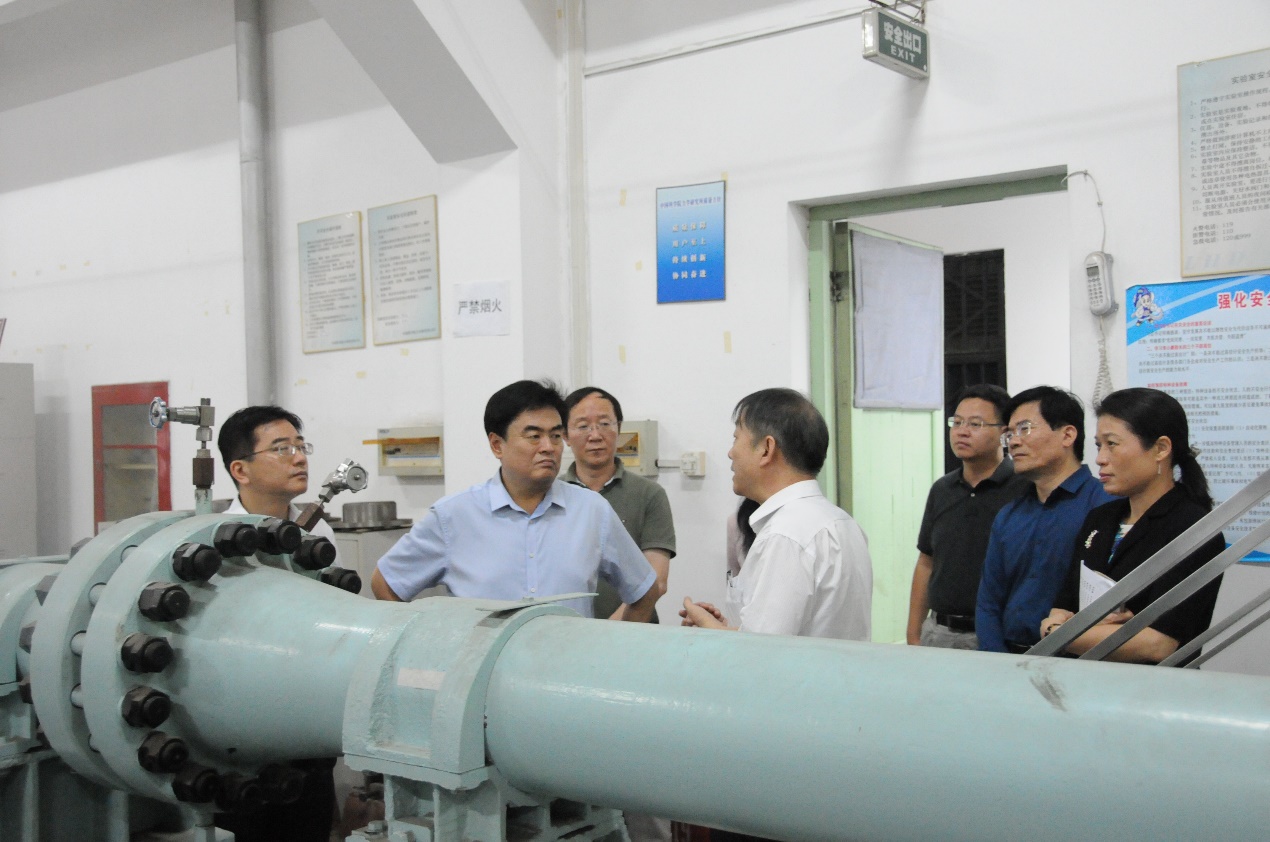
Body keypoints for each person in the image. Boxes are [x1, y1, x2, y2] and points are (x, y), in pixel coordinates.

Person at [371, 380, 661, 621]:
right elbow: (386, 583)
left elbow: (644, 590)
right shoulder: (453, 516)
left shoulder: (591, 510)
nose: (548, 447)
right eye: (534, 436)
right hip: (481, 669)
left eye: (555, 436)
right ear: (497, 445)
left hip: (567, 668)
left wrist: (610, 649)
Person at [214, 405, 339, 842]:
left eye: (301, 446)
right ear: (240, 470)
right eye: (281, 448)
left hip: (307, 721)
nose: (299, 458)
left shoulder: (320, 535)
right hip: (239, 728)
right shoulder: (214, 541)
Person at [1040, 388, 1225, 663]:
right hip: (1087, 678)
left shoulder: (1193, 528)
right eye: (1099, 445)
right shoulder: (1100, 518)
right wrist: (1063, 626)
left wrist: (1057, 633)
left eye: (1112, 444)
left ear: (1161, 449)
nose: (1100, 458)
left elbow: (1158, 644)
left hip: (1150, 685)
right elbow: (1063, 605)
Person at [681, 388, 872, 640]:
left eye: (736, 438)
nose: (730, 452)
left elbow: (763, 652)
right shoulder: (843, 522)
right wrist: (724, 629)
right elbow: (799, 633)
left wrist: (706, 625)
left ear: (766, 449)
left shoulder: (785, 535)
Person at [975, 386, 1115, 653]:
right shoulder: (1009, 515)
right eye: (1009, 434)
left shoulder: (1106, 505)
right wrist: (997, 662)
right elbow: (988, 603)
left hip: (1078, 658)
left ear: (1067, 435)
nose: (1014, 442)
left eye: (1025, 429)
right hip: (1009, 658)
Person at [907, 385, 1029, 649]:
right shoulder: (942, 489)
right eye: (957, 422)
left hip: (997, 634)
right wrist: (914, 635)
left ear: (1004, 433)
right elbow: (926, 562)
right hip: (939, 632)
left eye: (975, 424)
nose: (962, 431)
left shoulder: (1024, 489)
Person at [563, 386, 675, 622]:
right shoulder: (552, 495)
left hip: (634, 631)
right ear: (564, 435)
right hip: (565, 632)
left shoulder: (649, 494)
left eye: (605, 424)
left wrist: (608, 630)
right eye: (583, 426)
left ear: (619, 428)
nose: (595, 435)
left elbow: (656, 580)